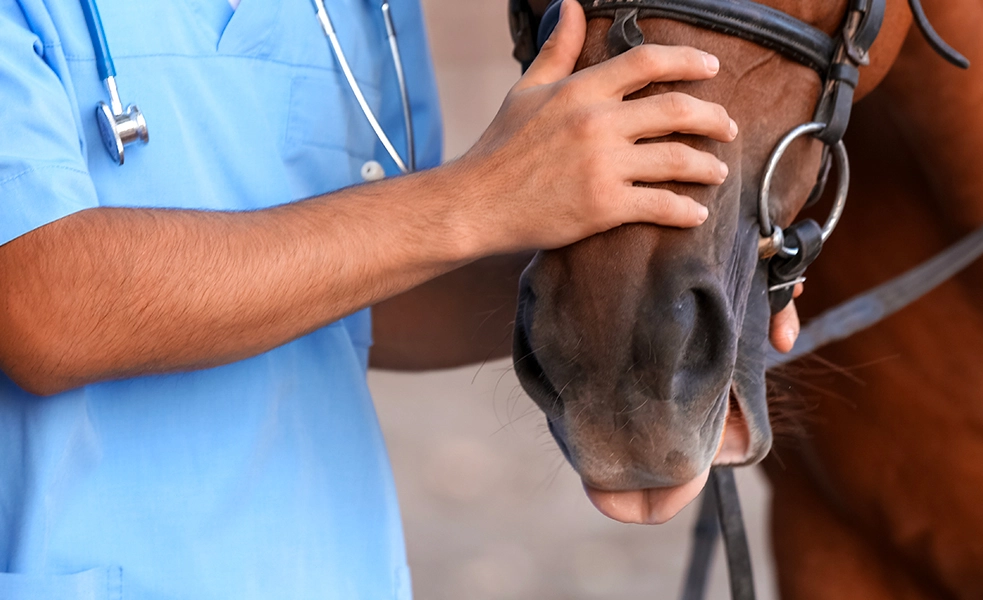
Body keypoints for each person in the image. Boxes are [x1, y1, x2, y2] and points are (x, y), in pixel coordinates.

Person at [0, 0, 802, 597]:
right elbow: (39, 304)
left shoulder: (358, 9)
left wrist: (632, 298)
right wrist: (480, 198)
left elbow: (362, 286)